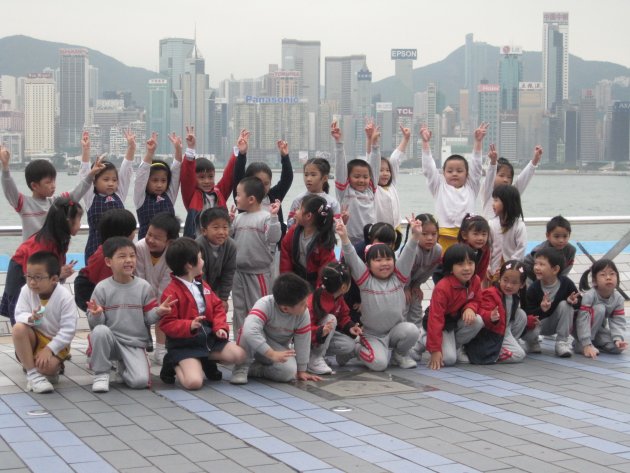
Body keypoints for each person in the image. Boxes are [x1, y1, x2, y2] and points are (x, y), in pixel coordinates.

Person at [86, 237, 176, 392]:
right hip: (111, 341)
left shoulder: (143, 287)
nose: (128, 260)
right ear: (108, 262)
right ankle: (101, 374)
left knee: (140, 382)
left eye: (132, 256)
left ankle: (123, 369)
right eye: (122, 256)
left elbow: (148, 318)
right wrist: (96, 315)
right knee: (100, 331)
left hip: (134, 343)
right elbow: (95, 324)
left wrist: (158, 312)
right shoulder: (102, 288)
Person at [335, 216, 422, 371]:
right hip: (373, 334)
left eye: (388, 259)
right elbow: (352, 258)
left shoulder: (399, 278)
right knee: (379, 364)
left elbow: (408, 254)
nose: (384, 264)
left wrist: (415, 236)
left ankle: (399, 355)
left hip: (395, 330)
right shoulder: (365, 281)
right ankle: (356, 349)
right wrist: (344, 237)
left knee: (412, 330)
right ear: (368, 264)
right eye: (378, 260)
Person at [159, 238, 246, 389]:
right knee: (194, 383)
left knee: (239, 355)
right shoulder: (171, 293)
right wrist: (189, 325)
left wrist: (220, 328)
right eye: (200, 258)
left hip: (209, 340)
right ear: (189, 265)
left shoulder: (201, 284)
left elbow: (218, 306)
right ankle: (173, 362)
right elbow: (166, 324)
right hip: (184, 345)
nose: (203, 261)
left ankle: (204, 359)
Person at [0, 197, 82, 324]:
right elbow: (33, 273)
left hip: (35, 276)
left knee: (38, 318)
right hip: (22, 275)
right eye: (78, 220)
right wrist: (59, 273)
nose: (80, 224)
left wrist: (59, 272)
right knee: (22, 319)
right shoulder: (44, 245)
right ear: (68, 221)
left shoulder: (57, 240)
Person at [231, 273, 321, 385]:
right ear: (285, 308)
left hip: (277, 349)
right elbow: (249, 330)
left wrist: (301, 370)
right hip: (256, 345)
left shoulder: (303, 314)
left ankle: (256, 370)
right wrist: (271, 354)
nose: (306, 305)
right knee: (247, 329)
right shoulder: (265, 304)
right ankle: (241, 367)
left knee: (289, 372)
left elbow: (303, 341)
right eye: (302, 304)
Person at [0, 144, 98, 241]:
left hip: (53, 254)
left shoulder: (57, 202)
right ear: (34, 185)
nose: (53, 185)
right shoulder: (24, 204)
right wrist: (5, 167)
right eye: (48, 182)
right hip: (33, 255)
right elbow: (9, 189)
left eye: (54, 181)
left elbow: (78, 191)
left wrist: (91, 174)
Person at [12, 252, 78, 393]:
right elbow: (19, 315)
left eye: (38, 277)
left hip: (55, 341)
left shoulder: (64, 297)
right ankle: (33, 374)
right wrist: (30, 318)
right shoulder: (26, 290)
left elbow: (68, 330)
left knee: (47, 367)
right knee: (18, 328)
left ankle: (46, 370)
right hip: (34, 337)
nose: (32, 282)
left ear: (54, 279)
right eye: (29, 276)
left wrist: (49, 349)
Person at [420, 123, 487, 251]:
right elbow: (428, 168)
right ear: (443, 173)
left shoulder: (471, 187)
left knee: (465, 267)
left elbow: (476, 167)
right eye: (450, 171)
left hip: (467, 236)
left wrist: (478, 142)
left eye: (459, 171)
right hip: (443, 235)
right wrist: (425, 143)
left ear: (467, 174)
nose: (454, 174)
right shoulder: (439, 186)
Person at [230, 176, 282, 338]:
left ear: (251, 199)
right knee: (239, 309)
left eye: (238, 195)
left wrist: (274, 217)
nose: (236, 198)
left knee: (258, 309)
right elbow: (230, 240)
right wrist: (229, 223)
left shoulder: (265, 217)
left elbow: (274, 238)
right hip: (238, 272)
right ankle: (241, 344)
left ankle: (262, 347)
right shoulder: (239, 218)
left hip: (258, 273)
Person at [421, 244, 485, 370]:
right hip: (441, 322)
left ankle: (455, 346)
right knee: (448, 360)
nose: (467, 268)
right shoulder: (443, 287)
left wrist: (470, 308)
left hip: (456, 319)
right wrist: (435, 350)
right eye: (460, 264)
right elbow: (436, 318)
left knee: (478, 321)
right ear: (451, 268)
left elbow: (477, 300)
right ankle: (422, 337)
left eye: (470, 263)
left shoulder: (475, 280)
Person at [80, 129, 134, 261]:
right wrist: (86, 150)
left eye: (114, 180)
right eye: (106, 179)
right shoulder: (90, 197)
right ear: (94, 181)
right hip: (96, 249)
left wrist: (131, 147)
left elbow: (126, 170)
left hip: (119, 250)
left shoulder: (119, 194)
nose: (111, 183)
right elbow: (84, 174)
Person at [135, 212, 181, 365]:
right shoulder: (140, 247)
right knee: (136, 318)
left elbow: (166, 282)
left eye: (157, 238)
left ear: (169, 241)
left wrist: (158, 306)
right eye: (149, 234)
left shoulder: (173, 254)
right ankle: (139, 348)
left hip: (162, 294)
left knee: (164, 311)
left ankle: (160, 349)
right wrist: (146, 302)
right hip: (139, 293)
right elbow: (139, 277)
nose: (150, 240)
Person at [181, 127, 242, 238]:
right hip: (198, 244)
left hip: (219, 242)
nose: (207, 181)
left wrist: (237, 150)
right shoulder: (191, 195)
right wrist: (190, 148)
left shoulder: (219, 192)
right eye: (201, 177)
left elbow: (228, 176)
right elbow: (187, 176)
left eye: (210, 177)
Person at [74, 208, 138, 312]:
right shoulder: (107, 258)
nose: (134, 233)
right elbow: (108, 287)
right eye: (132, 230)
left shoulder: (107, 249)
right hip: (89, 290)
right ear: (123, 234)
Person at [521, 247, 579, 357]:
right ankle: (532, 342)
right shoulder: (534, 288)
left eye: (542, 264)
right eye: (536, 264)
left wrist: (573, 301)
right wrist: (541, 309)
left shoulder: (566, 283)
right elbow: (526, 312)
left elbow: (579, 301)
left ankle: (561, 343)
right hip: (539, 325)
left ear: (555, 269)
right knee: (528, 323)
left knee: (566, 305)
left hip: (555, 323)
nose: (537, 267)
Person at [467, 260, 527, 364]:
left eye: (514, 283)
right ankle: (493, 353)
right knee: (519, 355)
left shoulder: (515, 295)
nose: (508, 285)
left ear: (522, 285)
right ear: (499, 279)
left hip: (505, 330)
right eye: (505, 280)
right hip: (493, 332)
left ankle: (508, 344)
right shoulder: (491, 294)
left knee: (521, 314)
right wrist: (490, 316)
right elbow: (480, 311)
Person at [307, 262, 362, 374]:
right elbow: (303, 330)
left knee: (348, 345)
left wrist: (350, 326)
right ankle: (314, 359)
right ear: (343, 287)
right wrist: (319, 332)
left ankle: (318, 355)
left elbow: (343, 315)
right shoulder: (315, 301)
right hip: (306, 339)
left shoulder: (338, 297)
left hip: (319, 338)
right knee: (331, 319)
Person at [233, 138, 294, 238]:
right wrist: (242, 154)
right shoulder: (244, 197)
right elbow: (238, 177)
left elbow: (287, 179)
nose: (262, 187)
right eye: (258, 182)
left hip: (272, 249)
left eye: (266, 183)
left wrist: (285, 157)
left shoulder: (274, 197)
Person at [333, 120, 381, 245]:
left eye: (365, 177)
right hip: (349, 241)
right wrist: (339, 143)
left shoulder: (371, 189)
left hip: (370, 240)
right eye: (356, 176)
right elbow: (340, 169)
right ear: (348, 178)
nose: (361, 180)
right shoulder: (345, 191)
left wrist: (375, 144)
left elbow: (374, 166)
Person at [344, 222, 402, 323]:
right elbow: (351, 279)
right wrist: (362, 300)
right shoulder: (359, 252)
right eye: (380, 241)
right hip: (354, 293)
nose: (383, 246)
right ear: (371, 238)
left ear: (393, 244)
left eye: (388, 244)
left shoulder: (389, 254)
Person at [402, 214, 442, 359]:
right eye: (424, 234)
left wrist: (417, 285)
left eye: (433, 234)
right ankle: (400, 345)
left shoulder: (437, 250)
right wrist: (406, 287)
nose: (430, 238)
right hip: (399, 283)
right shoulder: (413, 249)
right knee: (403, 309)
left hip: (414, 283)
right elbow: (404, 269)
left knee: (416, 308)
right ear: (416, 233)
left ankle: (414, 343)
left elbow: (430, 270)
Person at [279, 195, 336, 289]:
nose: (295, 212)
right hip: (295, 280)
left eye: (299, 209)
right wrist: (286, 281)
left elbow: (325, 269)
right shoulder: (293, 232)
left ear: (308, 216)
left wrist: (319, 292)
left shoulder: (323, 241)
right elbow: (286, 256)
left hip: (314, 283)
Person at [133, 131, 182, 240]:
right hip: (147, 246)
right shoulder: (140, 198)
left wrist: (178, 149)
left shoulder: (169, 196)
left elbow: (176, 171)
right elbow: (141, 177)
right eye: (155, 180)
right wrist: (150, 153)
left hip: (170, 246)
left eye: (163, 181)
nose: (159, 185)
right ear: (147, 182)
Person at [575, 259, 627, 358]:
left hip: (598, 330)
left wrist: (618, 339)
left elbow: (618, 320)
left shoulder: (618, 298)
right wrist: (586, 341)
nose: (608, 278)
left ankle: (593, 343)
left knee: (616, 349)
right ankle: (583, 344)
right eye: (603, 275)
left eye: (612, 274)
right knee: (600, 308)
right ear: (594, 281)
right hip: (582, 332)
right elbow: (582, 320)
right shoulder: (590, 295)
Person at [481, 144, 542, 219]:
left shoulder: (511, 194)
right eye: (501, 175)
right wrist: (493, 163)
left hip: (508, 229)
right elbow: (489, 178)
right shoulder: (488, 192)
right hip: (489, 230)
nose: (505, 180)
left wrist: (534, 161)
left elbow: (522, 180)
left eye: (509, 177)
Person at [196, 207, 236, 314]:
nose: (221, 232)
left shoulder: (231, 246)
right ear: (204, 231)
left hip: (217, 289)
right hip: (198, 290)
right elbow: (199, 276)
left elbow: (229, 273)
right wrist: (207, 298)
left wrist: (223, 298)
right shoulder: (198, 246)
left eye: (225, 227)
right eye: (216, 227)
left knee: (218, 318)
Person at [433, 214, 490, 286]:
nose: (480, 238)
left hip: (467, 284)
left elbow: (481, 271)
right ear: (464, 235)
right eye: (476, 234)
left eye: (484, 234)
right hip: (447, 283)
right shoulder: (458, 251)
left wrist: (474, 287)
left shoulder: (484, 250)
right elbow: (439, 272)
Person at [373, 124, 409, 230]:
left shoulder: (392, 185)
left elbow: (395, 159)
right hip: (380, 231)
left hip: (396, 229)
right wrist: (372, 141)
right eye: (381, 170)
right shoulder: (374, 188)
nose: (385, 173)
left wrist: (406, 139)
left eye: (388, 170)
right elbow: (372, 163)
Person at [287, 157, 340, 228]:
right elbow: (289, 225)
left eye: (313, 175)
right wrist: (297, 219)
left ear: (324, 178)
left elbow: (336, 227)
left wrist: (342, 221)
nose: (308, 179)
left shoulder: (332, 202)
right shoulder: (299, 199)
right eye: (306, 175)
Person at [488, 185, 527, 279]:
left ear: (507, 203)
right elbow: (488, 248)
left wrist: (508, 267)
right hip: (494, 270)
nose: (493, 204)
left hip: (512, 271)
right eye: (493, 200)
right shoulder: (491, 224)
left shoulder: (519, 226)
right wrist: (487, 266)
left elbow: (521, 249)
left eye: (496, 200)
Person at [523, 215, 576, 281]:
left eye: (565, 236)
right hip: (530, 272)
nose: (561, 240)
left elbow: (566, 269)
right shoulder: (540, 251)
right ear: (548, 235)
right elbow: (538, 270)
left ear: (569, 235)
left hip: (551, 274)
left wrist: (560, 281)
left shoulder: (571, 250)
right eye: (556, 236)